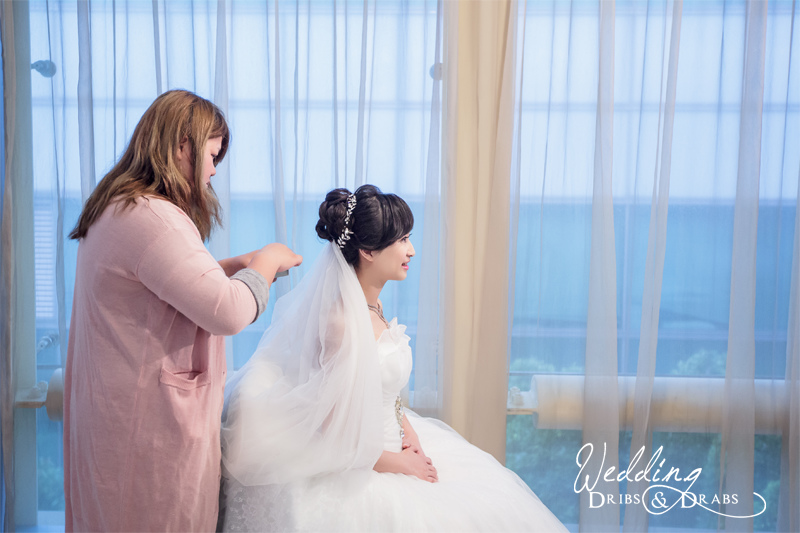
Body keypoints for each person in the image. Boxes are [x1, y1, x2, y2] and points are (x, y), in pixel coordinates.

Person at [218, 185, 567, 532]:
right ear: (368, 251)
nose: (411, 250)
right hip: (362, 465)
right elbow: (333, 432)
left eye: (408, 238)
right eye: (402, 240)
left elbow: (383, 394)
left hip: (392, 442)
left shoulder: (374, 306)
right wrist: (400, 464)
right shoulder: (340, 323)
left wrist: (408, 432)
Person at [64, 89, 302, 532]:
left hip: (117, 419)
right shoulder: (153, 218)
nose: (213, 171)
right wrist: (268, 260)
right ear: (181, 146)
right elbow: (228, 312)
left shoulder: (119, 207)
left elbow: (159, 285)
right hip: (148, 427)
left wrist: (232, 267)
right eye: (212, 156)